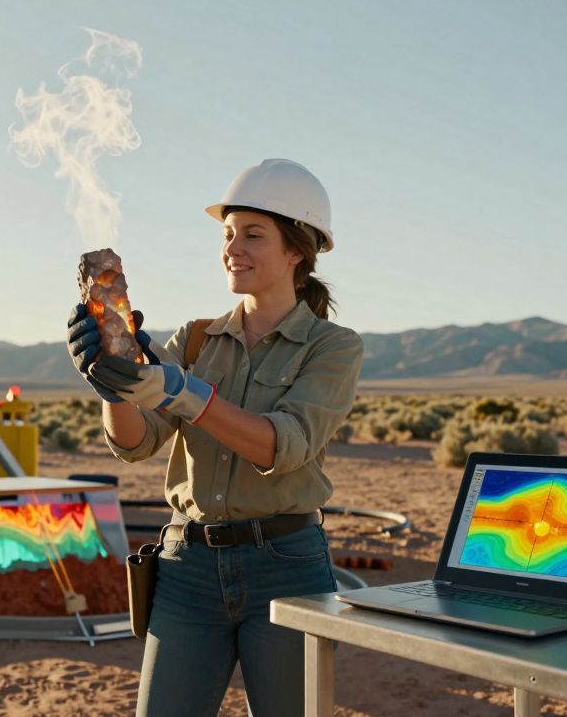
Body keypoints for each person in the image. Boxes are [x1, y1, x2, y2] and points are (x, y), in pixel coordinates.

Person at [65, 159, 364, 716]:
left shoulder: (333, 347)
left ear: (297, 250)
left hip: (287, 566)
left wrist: (181, 391)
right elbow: (136, 443)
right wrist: (112, 383)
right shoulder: (197, 339)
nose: (233, 248)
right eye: (228, 234)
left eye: (253, 235)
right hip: (187, 566)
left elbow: (282, 445)